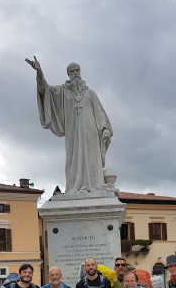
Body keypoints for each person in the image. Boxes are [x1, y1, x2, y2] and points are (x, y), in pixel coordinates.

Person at [25, 57, 113, 194]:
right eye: (72, 71)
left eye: (77, 70)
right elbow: (45, 90)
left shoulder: (90, 94)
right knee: (73, 159)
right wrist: (39, 72)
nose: (75, 73)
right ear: (68, 74)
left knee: (91, 159)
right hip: (73, 133)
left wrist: (105, 128)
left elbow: (100, 112)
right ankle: (75, 187)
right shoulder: (63, 91)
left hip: (91, 133)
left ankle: (93, 186)